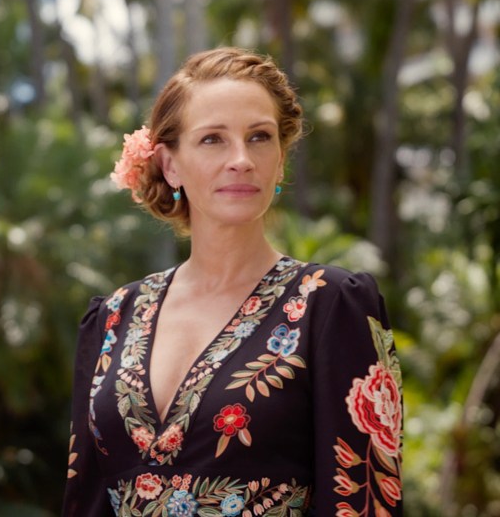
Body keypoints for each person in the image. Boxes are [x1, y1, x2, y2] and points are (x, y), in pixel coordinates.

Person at [63, 47, 402, 516]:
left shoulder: (331, 306)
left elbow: (364, 500)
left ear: (280, 161)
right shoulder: (114, 317)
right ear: (170, 164)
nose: (241, 159)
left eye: (259, 137)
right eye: (213, 140)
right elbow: (85, 500)